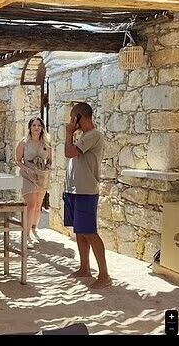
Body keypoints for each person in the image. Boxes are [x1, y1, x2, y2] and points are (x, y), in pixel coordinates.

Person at [64, 102, 111, 289]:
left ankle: (105, 275)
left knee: (90, 232)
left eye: (72, 117)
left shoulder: (94, 135)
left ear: (79, 117)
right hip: (75, 189)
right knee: (80, 231)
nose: (70, 122)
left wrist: (69, 134)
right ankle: (85, 268)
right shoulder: (84, 136)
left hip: (86, 191)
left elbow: (69, 152)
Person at [15, 117, 52, 249]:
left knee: (38, 205)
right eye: (34, 125)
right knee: (30, 205)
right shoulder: (24, 143)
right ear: (30, 127)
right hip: (27, 176)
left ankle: (33, 227)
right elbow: (18, 160)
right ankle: (26, 236)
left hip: (41, 177)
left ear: (42, 128)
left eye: (39, 125)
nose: (36, 128)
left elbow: (50, 160)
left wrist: (47, 169)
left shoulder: (46, 144)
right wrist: (27, 170)